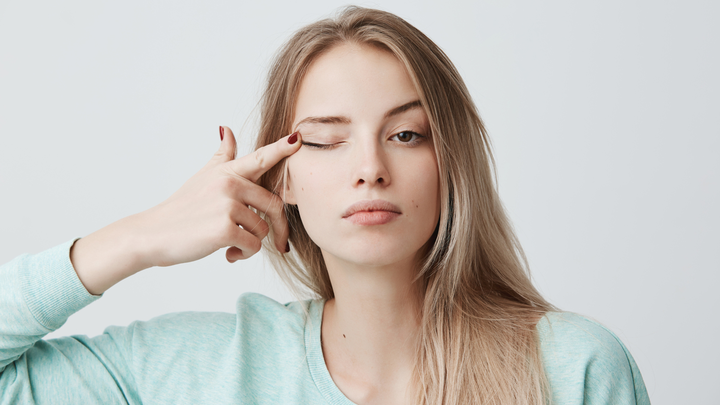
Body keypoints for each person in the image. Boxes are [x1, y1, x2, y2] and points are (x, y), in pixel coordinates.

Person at [0, 6, 650, 405]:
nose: (370, 169)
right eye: (324, 140)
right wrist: (138, 237)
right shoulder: (204, 371)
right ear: (282, 177)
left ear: (451, 163)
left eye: (405, 134)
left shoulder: (572, 369)